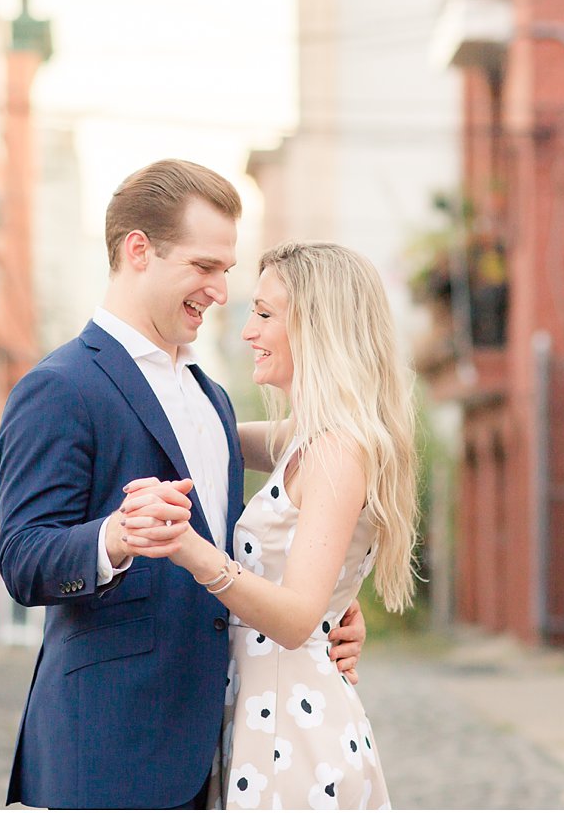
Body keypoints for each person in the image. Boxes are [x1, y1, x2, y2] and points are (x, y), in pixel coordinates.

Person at [0, 161, 366, 810]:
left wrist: (329, 604)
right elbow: (23, 559)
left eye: (227, 269)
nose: (221, 290)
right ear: (138, 250)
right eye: (205, 267)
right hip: (111, 747)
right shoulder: (60, 388)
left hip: (224, 746)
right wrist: (115, 535)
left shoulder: (213, 399)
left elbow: (317, 481)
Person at [121, 240, 418, 810]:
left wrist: (187, 547)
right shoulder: (304, 438)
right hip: (269, 725)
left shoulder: (336, 451)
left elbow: (297, 618)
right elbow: (207, 433)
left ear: (317, 326)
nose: (248, 332)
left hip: (294, 741)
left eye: (263, 314)